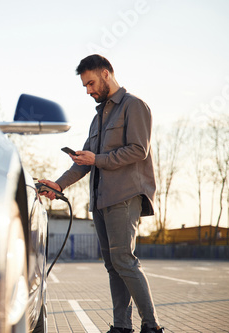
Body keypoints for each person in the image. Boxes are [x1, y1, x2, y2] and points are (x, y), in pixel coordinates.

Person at [39, 54, 164, 333]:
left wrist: (97, 159)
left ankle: (152, 326)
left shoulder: (135, 106)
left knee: (124, 261)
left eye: (91, 83)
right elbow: (84, 161)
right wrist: (57, 185)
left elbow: (138, 150)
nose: (88, 90)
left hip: (124, 196)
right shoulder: (97, 119)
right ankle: (122, 327)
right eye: (85, 86)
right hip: (100, 200)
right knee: (113, 266)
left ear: (106, 74)